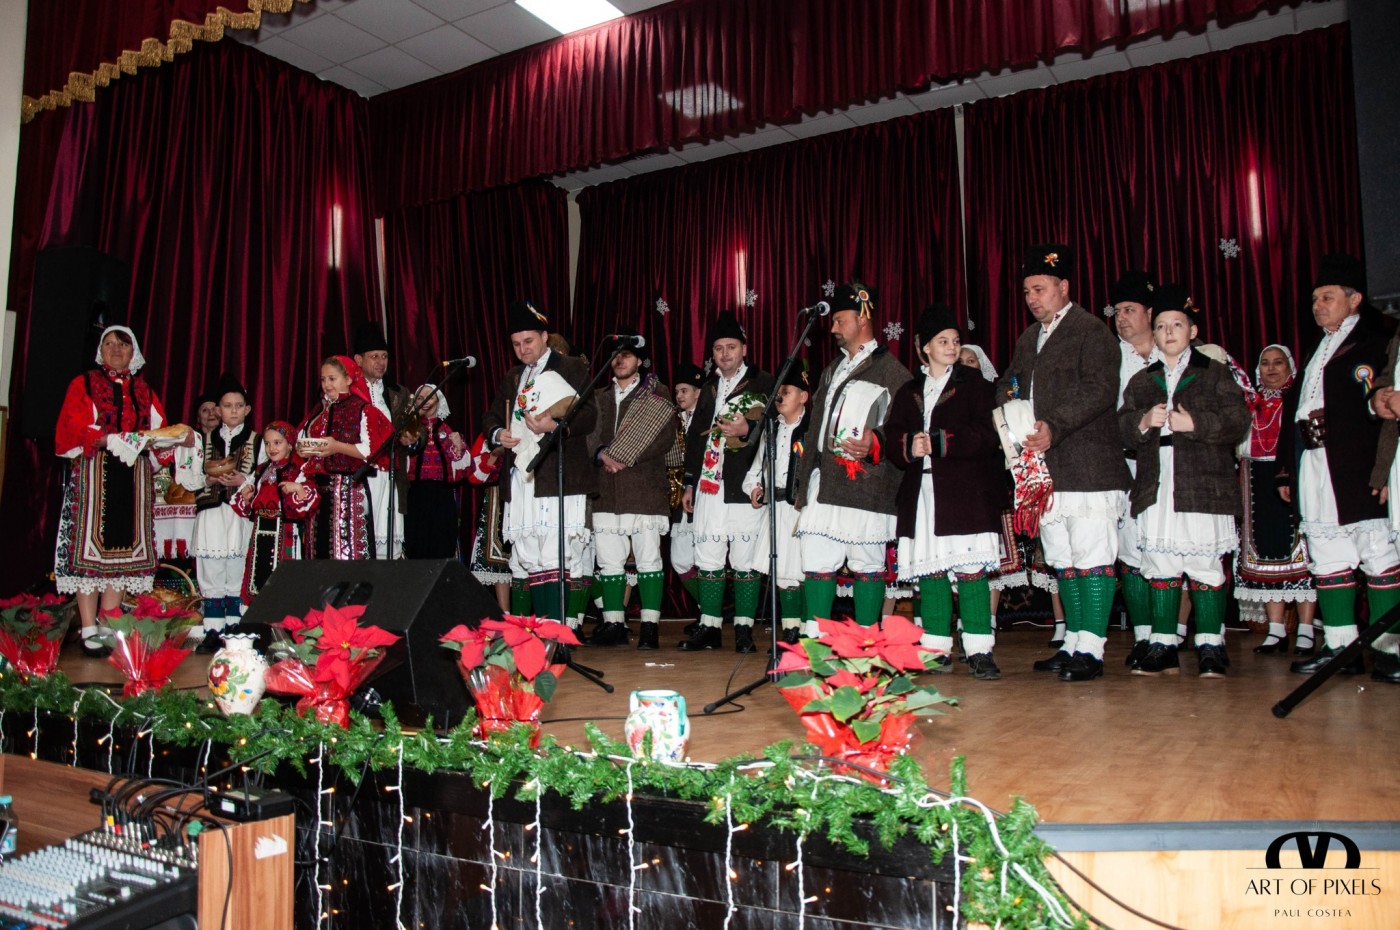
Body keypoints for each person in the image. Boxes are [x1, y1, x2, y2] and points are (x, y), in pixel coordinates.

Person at [995, 245, 1131, 681]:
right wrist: (1010, 409)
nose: (1031, 298)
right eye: (1026, 291)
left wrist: (1055, 425)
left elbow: (1099, 390)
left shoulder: (1092, 332)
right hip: (1045, 470)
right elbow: (1009, 383)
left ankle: (1092, 648)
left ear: (1064, 287)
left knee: (1092, 556)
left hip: (1088, 467)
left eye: (1039, 289)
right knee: (1063, 559)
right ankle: (1073, 641)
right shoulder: (1028, 338)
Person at [1119, 285, 1251, 676]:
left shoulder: (1214, 373)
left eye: (1177, 325)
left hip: (1203, 484)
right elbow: (1122, 426)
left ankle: (1211, 644)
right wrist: (1143, 421)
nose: (1168, 332)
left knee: (1204, 564)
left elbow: (1238, 420)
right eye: (1161, 326)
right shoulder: (1143, 381)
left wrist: (1196, 424)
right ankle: (1163, 643)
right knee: (1161, 563)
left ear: (1192, 331)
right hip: (1157, 485)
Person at [1279, 254, 1400, 680]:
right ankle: (1340, 648)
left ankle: (1389, 651)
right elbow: (1295, 411)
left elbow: (1383, 410)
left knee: (1377, 554)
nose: (1317, 305)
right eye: (1315, 299)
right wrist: (1285, 470)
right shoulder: (1316, 349)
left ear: (1355, 299)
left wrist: (1383, 470)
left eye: (1327, 297)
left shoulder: (1376, 342)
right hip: (1314, 464)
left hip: (1357, 466)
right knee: (1328, 555)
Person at [54, 326, 196, 656]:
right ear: (100, 350)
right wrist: (104, 438)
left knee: (123, 553)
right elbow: (70, 428)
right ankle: (88, 628)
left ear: (134, 353)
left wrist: (181, 439)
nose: (116, 349)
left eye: (123, 344)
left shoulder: (144, 391)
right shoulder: (84, 384)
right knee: (89, 551)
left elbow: (159, 433)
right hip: (95, 472)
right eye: (109, 343)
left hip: (134, 477)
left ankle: (108, 623)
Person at [888, 304, 1004, 679]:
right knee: (932, 571)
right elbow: (892, 437)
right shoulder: (908, 391)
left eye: (955, 341)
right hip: (923, 493)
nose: (952, 347)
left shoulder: (977, 387)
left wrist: (941, 441)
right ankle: (936, 648)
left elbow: (987, 435)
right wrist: (910, 445)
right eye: (943, 341)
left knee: (970, 570)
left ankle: (979, 649)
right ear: (925, 347)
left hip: (965, 492)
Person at [794, 282, 912, 627]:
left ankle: (866, 641)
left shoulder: (892, 371)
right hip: (824, 481)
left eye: (839, 320)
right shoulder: (833, 369)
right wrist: (804, 481)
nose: (832, 327)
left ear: (862, 318)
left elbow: (904, 427)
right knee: (816, 560)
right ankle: (815, 640)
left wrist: (877, 442)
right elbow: (815, 428)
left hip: (866, 483)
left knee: (866, 563)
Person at [480, 301, 598, 623]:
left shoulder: (570, 367)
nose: (523, 349)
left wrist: (554, 426)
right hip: (523, 477)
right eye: (516, 344)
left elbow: (589, 415)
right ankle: (543, 632)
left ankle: (558, 632)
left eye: (528, 341)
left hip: (560, 474)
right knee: (530, 556)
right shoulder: (514, 376)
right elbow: (490, 416)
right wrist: (498, 433)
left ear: (545, 336)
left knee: (556, 555)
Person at [680, 311, 774, 651]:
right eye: (719, 348)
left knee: (744, 559)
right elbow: (695, 438)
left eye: (731, 347)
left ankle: (744, 630)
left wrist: (748, 429)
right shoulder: (709, 387)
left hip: (745, 484)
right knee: (708, 555)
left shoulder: (764, 383)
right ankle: (710, 626)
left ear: (744, 349)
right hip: (709, 485)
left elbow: (779, 427)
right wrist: (689, 482)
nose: (725, 354)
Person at [586, 331, 677, 649]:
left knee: (649, 559)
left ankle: (650, 627)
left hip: (643, 489)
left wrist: (625, 456)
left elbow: (664, 438)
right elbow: (588, 437)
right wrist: (601, 454)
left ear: (639, 360)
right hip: (605, 489)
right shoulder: (597, 396)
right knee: (609, 562)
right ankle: (614, 624)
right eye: (615, 355)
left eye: (626, 355)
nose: (620, 360)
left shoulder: (657, 395)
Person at [1235, 345, 1318, 654]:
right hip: (1255, 478)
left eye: (1278, 362)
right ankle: (1276, 630)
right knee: (1266, 553)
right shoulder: (1250, 402)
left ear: (1290, 367)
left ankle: (1306, 629)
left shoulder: (1298, 398)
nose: (1271, 368)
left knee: (1301, 552)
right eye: (1265, 363)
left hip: (1291, 476)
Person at [1107, 271, 1161, 668]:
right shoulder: (1108, 359)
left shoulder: (1174, 351)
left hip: (1167, 466)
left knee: (1167, 549)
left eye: (1130, 310)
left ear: (1150, 313)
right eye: (1117, 311)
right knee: (1131, 553)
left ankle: (1169, 634)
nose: (1122, 318)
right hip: (1123, 465)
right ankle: (1143, 637)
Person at [193, 374, 266, 648]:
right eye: (227, 406)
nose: (233, 411)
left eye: (238, 405)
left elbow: (265, 476)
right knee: (211, 569)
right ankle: (213, 630)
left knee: (237, 569)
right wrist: (208, 479)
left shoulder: (258, 441)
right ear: (218, 410)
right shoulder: (202, 440)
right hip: (211, 514)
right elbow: (189, 476)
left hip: (239, 516)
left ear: (247, 409)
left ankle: (236, 630)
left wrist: (243, 481)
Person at [297, 355, 393, 561]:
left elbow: (371, 451)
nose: (327, 384)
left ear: (349, 379)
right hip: (319, 492)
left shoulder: (362, 409)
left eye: (332, 379)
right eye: (323, 379)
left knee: (346, 553)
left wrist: (336, 447)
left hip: (347, 489)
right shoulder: (320, 411)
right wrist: (307, 452)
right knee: (319, 551)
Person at [742, 364, 810, 646]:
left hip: (802, 511)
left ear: (803, 397)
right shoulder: (771, 429)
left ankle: (808, 630)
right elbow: (755, 471)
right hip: (776, 510)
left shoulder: (811, 429)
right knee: (783, 573)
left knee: (804, 571)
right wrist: (754, 488)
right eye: (778, 392)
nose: (780, 397)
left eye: (787, 391)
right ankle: (791, 630)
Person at [232, 421, 318, 605]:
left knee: (285, 580)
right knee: (259, 576)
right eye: (268, 443)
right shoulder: (261, 470)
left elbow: (309, 501)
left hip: (286, 532)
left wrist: (297, 489)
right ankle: (259, 616)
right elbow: (246, 504)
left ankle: (285, 616)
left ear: (290, 444)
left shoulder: (299, 469)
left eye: (277, 442)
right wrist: (246, 498)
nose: (271, 448)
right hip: (260, 533)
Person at [353, 322, 408, 559]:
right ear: (358, 360)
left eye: (384, 356)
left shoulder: (398, 393)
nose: (380, 362)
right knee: (362, 543)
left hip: (391, 477)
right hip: (361, 476)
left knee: (389, 544)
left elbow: (415, 428)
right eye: (374, 356)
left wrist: (412, 438)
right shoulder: (349, 393)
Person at [399, 385, 469, 559]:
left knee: (442, 545)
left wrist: (458, 448)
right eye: (420, 398)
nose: (425, 401)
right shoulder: (408, 430)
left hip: (442, 496)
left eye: (430, 397)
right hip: (415, 495)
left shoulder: (448, 431)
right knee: (416, 544)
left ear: (439, 401)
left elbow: (465, 470)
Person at [668, 363, 706, 615]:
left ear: (698, 393)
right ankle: (708, 607)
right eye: (677, 392)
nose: (680, 396)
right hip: (679, 495)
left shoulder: (708, 419)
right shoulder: (673, 420)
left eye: (685, 391)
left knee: (706, 558)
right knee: (680, 560)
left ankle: (710, 613)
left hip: (704, 492)